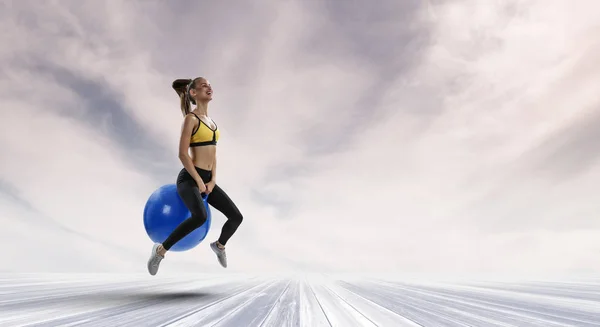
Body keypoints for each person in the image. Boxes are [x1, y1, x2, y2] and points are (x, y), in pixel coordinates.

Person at [147, 77, 244, 276]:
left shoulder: (213, 124)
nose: (209, 87)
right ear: (193, 93)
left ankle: (219, 246)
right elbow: (183, 154)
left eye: (209, 85)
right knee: (200, 216)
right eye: (203, 85)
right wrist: (199, 181)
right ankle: (160, 251)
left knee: (236, 217)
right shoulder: (190, 119)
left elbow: (214, 155)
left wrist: (212, 180)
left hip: (207, 180)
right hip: (189, 179)